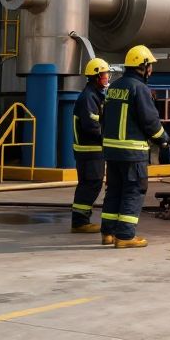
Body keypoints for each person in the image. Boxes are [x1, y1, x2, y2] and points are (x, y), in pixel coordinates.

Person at [101, 45, 170, 249]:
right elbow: (150, 121)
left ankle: (108, 233)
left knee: (114, 190)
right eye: (150, 66)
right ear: (143, 66)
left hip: (112, 152)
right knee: (133, 191)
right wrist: (163, 139)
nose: (151, 70)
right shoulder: (140, 89)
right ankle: (125, 236)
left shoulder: (113, 87)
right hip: (133, 153)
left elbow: (104, 118)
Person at [70, 57, 111, 233]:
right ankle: (80, 222)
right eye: (105, 74)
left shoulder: (94, 95)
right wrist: (107, 139)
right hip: (90, 150)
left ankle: (80, 219)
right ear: (96, 76)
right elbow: (92, 125)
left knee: (88, 184)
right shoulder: (89, 98)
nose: (107, 77)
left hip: (91, 150)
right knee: (91, 184)